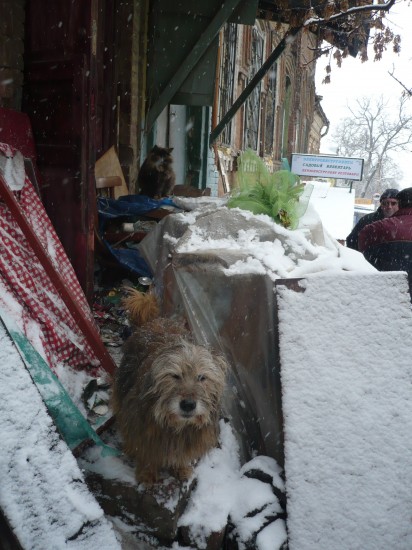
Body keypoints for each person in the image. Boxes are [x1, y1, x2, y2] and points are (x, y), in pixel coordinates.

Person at [358, 187, 412, 291]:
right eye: (385, 203)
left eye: (393, 203)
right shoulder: (369, 221)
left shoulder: (375, 228)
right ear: (381, 204)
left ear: (399, 205)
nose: (389, 207)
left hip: (384, 287)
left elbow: (360, 245)